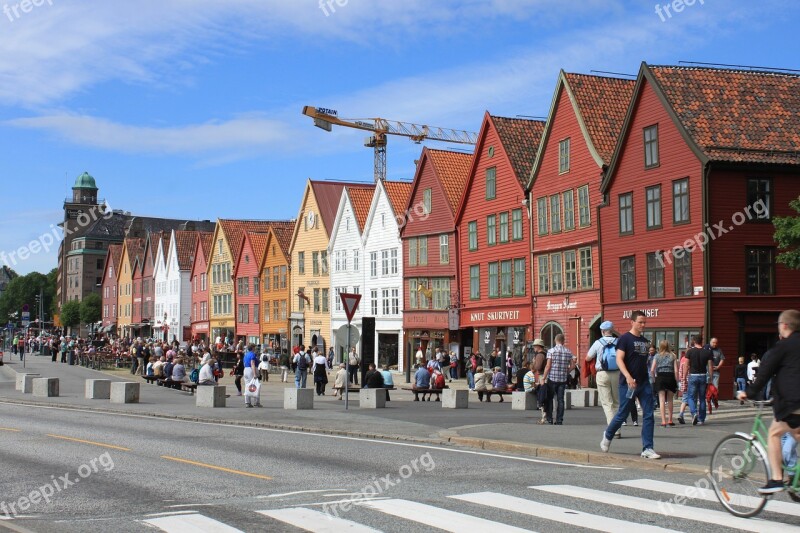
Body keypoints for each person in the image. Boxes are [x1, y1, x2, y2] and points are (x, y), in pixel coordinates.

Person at [738, 309, 800, 494]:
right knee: (796, 434)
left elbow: (764, 373)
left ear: (785, 326)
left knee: (774, 434)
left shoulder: (783, 346)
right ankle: (795, 477)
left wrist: (747, 393)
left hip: (792, 403)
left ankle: (776, 479)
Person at [601, 310, 660, 459]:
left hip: (644, 382)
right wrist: (627, 376)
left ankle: (648, 448)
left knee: (648, 414)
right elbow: (620, 359)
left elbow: (643, 362)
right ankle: (608, 434)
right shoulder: (625, 339)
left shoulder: (646, 342)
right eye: (640, 322)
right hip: (628, 383)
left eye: (644, 322)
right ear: (632, 322)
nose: (643, 325)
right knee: (623, 413)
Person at [586, 321, 621, 435]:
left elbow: (588, 357)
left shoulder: (598, 343)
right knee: (616, 402)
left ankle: (613, 430)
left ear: (602, 331)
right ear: (612, 330)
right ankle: (618, 429)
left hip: (602, 373)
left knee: (607, 403)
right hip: (616, 373)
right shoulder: (618, 341)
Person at [542, 334, 576, 425]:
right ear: (563, 341)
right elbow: (573, 365)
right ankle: (559, 420)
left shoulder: (551, 351)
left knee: (550, 399)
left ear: (555, 340)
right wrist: (566, 372)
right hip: (562, 380)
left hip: (552, 378)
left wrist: (543, 377)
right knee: (560, 400)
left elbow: (548, 366)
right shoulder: (568, 352)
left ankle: (550, 418)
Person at [685, 335, 713, 426]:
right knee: (702, 398)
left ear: (694, 341)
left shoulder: (690, 352)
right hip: (703, 375)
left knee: (691, 397)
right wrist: (711, 378)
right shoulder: (707, 352)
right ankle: (701, 419)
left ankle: (694, 413)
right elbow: (710, 366)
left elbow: (686, 365)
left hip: (693, 375)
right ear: (702, 341)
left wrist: (684, 377)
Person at [651, 340, 678, 427]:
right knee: (670, 399)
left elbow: (652, 369)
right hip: (670, 376)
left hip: (660, 377)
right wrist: (676, 380)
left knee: (661, 400)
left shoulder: (657, 356)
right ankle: (670, 419)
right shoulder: (673, 356)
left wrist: (654, 378)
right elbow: (676, 370)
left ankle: (663, 421)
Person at [243, 343, 261, 407]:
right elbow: (252, 364)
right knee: (255, 385)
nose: (255, 348)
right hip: (251, 369)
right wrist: (255, 374)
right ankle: (256, 402)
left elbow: (244, 363)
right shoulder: (252, 354)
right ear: (253, 348)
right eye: (255, 347)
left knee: (247, 386)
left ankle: (247, 402)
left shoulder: (246, 355)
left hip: (245, 370)